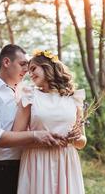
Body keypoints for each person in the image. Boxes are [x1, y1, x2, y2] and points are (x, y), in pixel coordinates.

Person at [0, 45, 81, 194]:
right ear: (6, 62)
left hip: (30, 164)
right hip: (1, 169)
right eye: (23, 64)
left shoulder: (27, 91)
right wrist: (36, 135)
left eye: (30, 67)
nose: (27, 71)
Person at [13, 50, 87, 194]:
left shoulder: (74, 98)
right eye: (29, 71)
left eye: (33, 68)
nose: (30, 73)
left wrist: (76, 138)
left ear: (47, 66)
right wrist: (41, 139)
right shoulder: (29, 96)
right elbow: (16, 138)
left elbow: (82, 142)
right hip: (37, 162)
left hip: (66, 163)